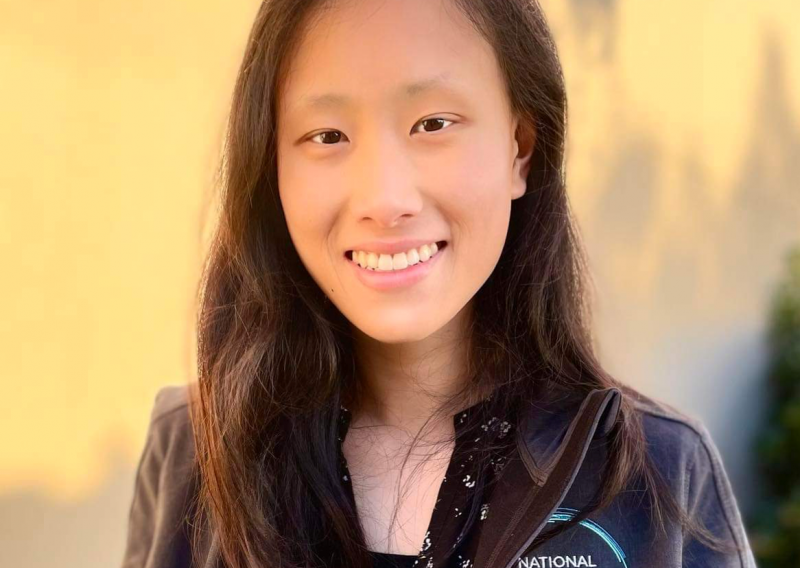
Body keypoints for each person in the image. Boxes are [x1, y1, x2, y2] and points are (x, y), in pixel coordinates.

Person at [121, 0, 758, 567]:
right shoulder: (193, 450)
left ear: (519, 148)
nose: (384, 199)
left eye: (433, 124)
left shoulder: (657, 472)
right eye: (327, 135)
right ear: (272, 167)